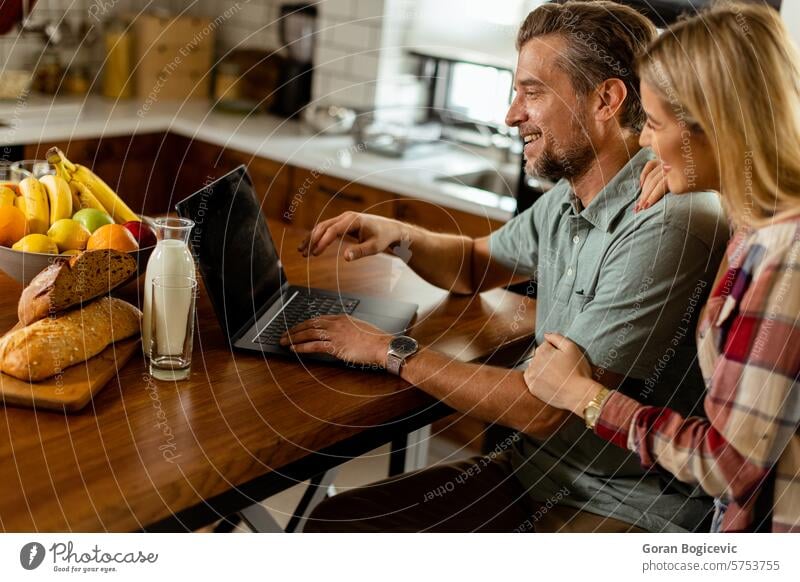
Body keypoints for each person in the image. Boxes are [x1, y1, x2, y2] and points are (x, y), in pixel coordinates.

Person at [286, 1, 727, 532]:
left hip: (628, 507)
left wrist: (388, 350)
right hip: (535, 470)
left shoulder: (665, 222)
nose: (512, 114)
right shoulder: (572, 198)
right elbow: (475, 265)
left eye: (532, 92)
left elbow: (545, 409)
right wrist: (400, 237)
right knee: (338, 523)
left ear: (606, 100)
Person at [524, 2, 800, 533]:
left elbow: (730, 465)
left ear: (716, 126)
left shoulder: (785, 257)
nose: (644, 141)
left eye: (653, 124)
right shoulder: (753, 225)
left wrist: (584, 395)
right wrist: (688, 172)